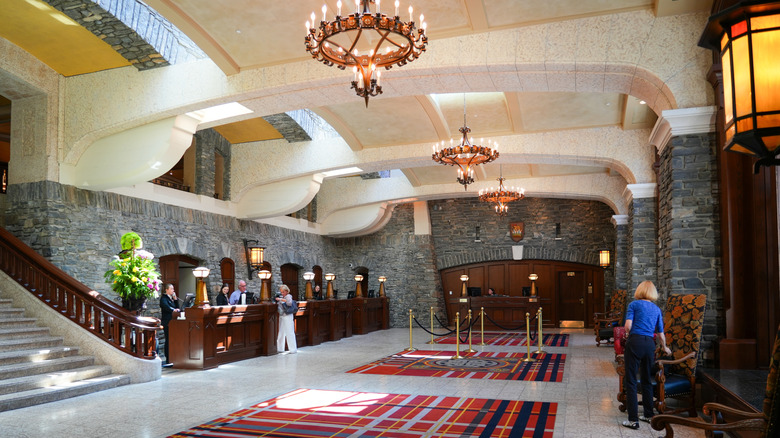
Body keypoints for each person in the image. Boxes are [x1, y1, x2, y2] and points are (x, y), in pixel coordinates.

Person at [621, 280, 671, 430]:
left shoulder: (634, 305)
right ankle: (648, 415)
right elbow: (661, 334)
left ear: (639, 291)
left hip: (635, 342)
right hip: (650, 344)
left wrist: (627, 334)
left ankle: (633, 420)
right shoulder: (656, 309)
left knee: (630, 380)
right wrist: (665, 347)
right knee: (646, 380)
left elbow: (628, 325)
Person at [159, 283, 180, 367]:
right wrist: (173, 310)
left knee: (173, 340)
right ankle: (168, 358)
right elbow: (166, 307)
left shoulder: (171, 299)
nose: (173, 290)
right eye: (171, 289)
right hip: (167, 322)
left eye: (173, 289)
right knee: (168, 339)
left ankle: (174, 356)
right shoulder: (163, 298)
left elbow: (178, 308)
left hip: (174, 322)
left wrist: (175, 300)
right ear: (166, 290)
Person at [275, 284, 297, 354]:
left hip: (288, 316)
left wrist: (280, 299)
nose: (282, 293)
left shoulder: (288, 296)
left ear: (286, 291)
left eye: (283, 292)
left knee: (289, 332)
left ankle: (293, 349)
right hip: (282, 315)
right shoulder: (283, 297)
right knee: (281, 332)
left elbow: (289, 303)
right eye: (281, 292)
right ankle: (280, 348)